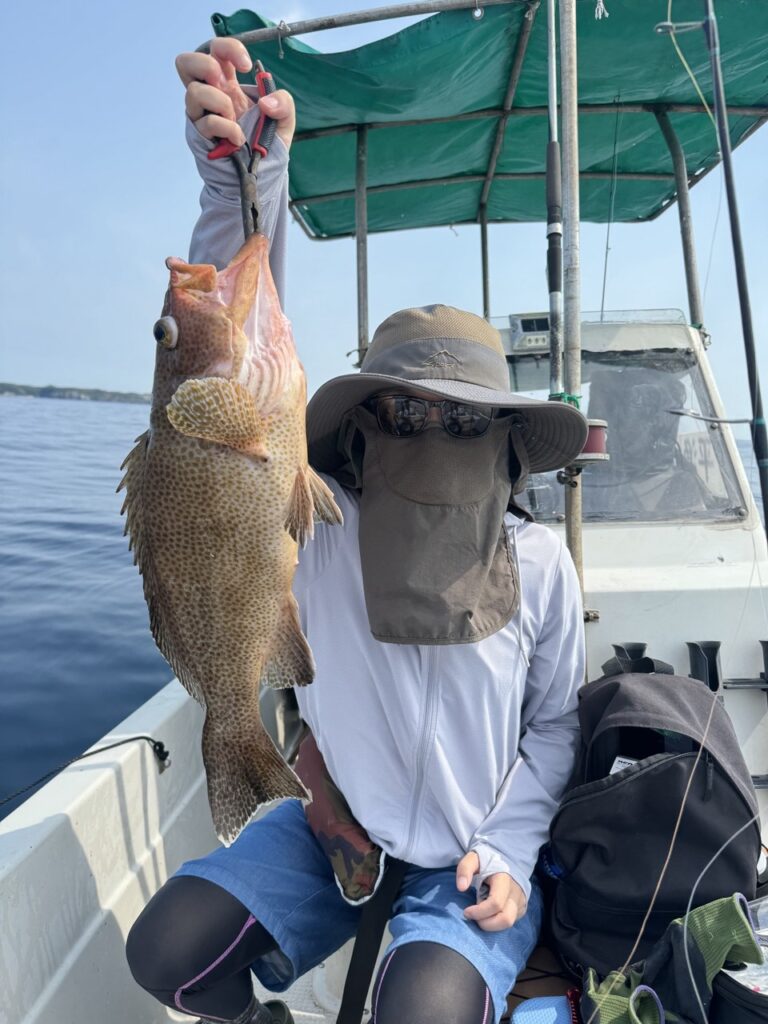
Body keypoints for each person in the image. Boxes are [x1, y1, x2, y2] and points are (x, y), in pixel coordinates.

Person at [125, 37, 589, 1024]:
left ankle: (519, 946)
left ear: (505, 438)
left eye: (463, 417)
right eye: (405, 411)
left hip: (471, 853)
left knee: (424, 1010)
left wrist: (507, 851)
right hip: (339, 824)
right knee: (164, 951)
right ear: (361, 427)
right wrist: (245, 173)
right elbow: (228, 368)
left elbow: (554, 726)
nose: (433, 431)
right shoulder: (316, 518)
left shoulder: (540, 564)